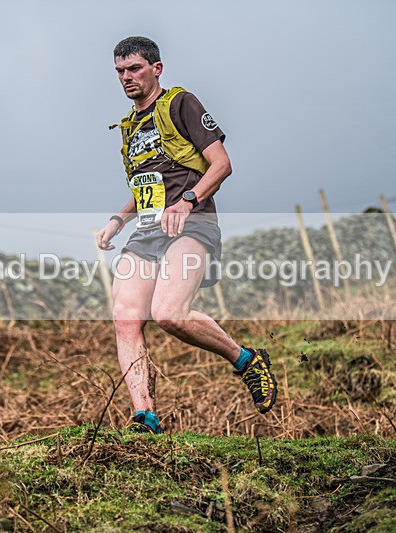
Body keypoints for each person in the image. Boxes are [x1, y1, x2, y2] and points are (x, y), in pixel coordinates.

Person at [96, 36, 277, 435]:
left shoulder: (180, 103)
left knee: (168, 314)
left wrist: (188, 201)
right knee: (125, 318)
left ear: (156, 69)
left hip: (192, 223)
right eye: (120, 72)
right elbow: (150, 184)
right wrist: (118, 219)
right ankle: (145, 416)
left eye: (135, 69)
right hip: (147, 230)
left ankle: (246, 360)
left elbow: (221, 164)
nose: (127, 78)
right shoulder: (130, 126)